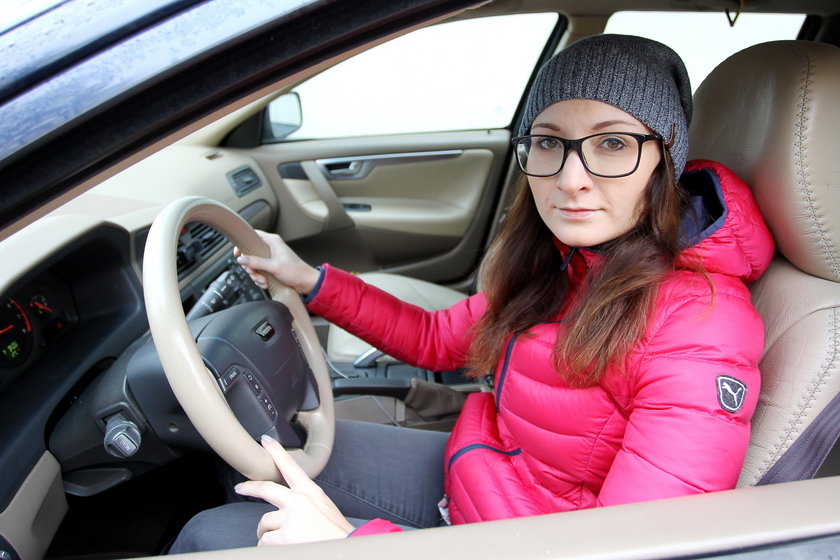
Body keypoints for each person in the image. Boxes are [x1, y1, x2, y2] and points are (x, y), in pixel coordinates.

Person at [168, 34, 774, 552]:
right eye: (549, 142)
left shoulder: (700, 326)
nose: (570, 177)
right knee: (257, 455)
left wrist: (350, 546)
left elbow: (628, 551)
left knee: (210, 534)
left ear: (665, 158)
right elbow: (436, 338)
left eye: (612, 143)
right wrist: (311, 281)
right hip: (480, 477)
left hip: (527, 540)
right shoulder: (570, 263)